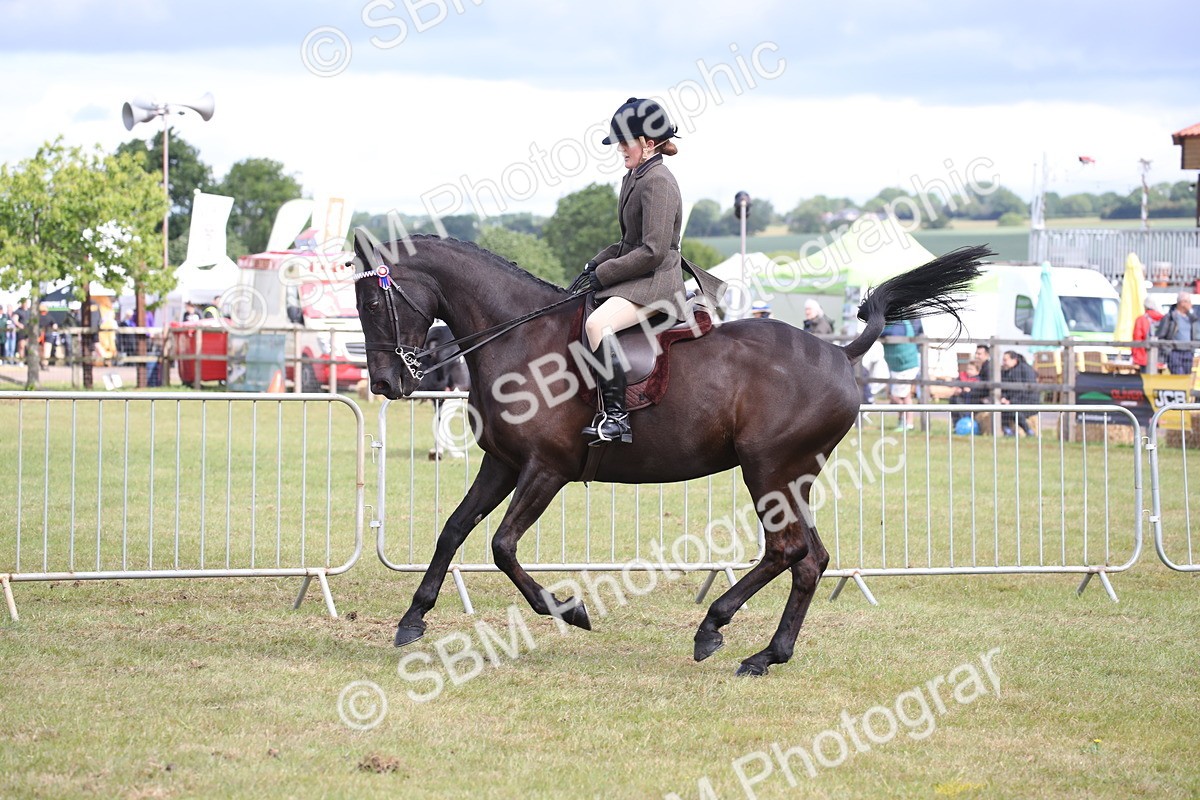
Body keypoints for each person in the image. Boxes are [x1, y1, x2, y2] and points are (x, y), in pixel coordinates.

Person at [568, 97, 726, 446]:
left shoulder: (658, 182)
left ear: (648, 143)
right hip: (640, 277)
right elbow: (628, 242)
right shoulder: (635, 176)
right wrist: (594, 264)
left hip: (657, 283)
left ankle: (616, 419)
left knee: (598, 324)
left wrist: (605, 275)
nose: (620, 149)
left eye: (625, 142)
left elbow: (653, 250)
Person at [881, 318, 923, 431]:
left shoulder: (900, 323)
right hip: (898, 366)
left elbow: (894, 333)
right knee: (904, 396)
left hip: (906, 365)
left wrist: (879, 332)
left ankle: (908, 422)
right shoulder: (891, 322)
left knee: (896, 396)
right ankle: (903, 422)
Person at [1155, 291, 1198, 375]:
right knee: (1178, 375)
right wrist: (1166, 350)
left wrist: (1191, 312)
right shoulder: (1170, 317)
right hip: (1174, 351)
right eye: (1188, 301)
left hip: (1188, 351)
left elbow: (1196, 323)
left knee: (1187, 377)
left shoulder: (1190, 318)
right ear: (1182, 302)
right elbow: (1160, 334)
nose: (1190, 304)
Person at [999, 350, 1038, 436]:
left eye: (1005, 360)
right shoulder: (1006, 371)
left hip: (1028, 401)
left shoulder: (1025, 370)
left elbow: (1026, 391)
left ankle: (1028, 431)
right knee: (1002, 409)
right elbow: (1004, 389)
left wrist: (1011, 401)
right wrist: (1004, 398)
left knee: (1012, 410)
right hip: (1013, 401)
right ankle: (1007, 430)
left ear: (1014, 360)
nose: (1003, 362)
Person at [1132, 297, 1165, 373]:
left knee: (1145, 381)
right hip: (1160, 358)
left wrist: (1136, 356)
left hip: (1143, 358)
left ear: (1145, 307)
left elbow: (1137, 338)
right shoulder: (1163, 319)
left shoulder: (1141, 320)